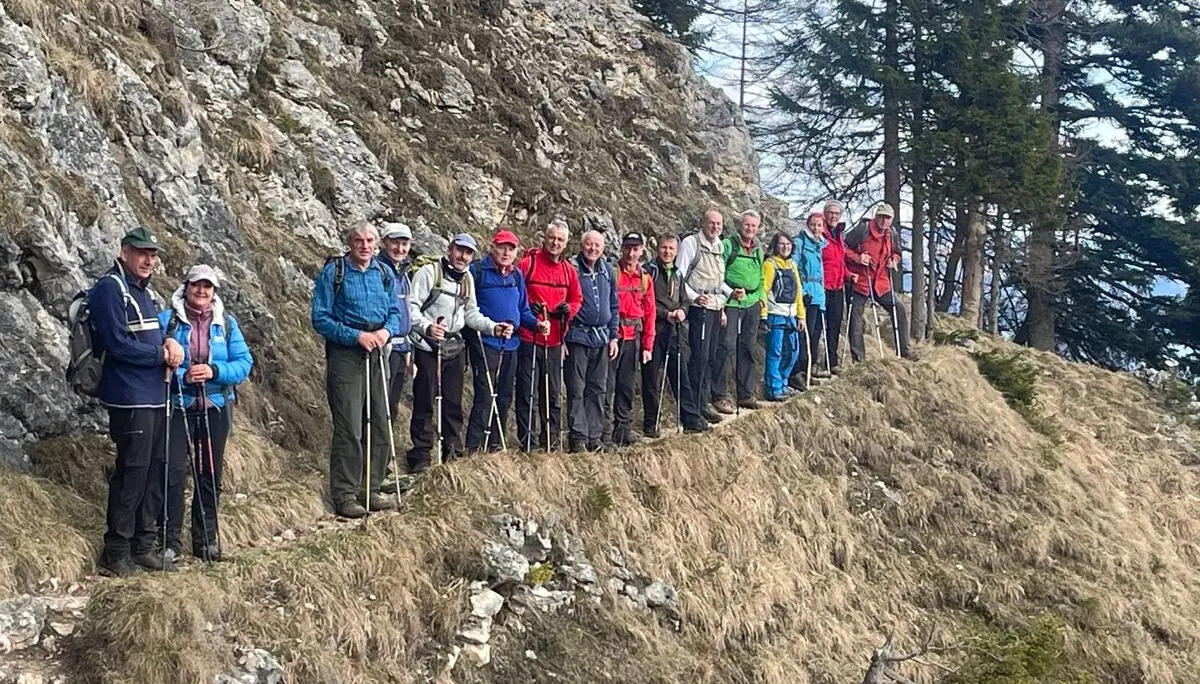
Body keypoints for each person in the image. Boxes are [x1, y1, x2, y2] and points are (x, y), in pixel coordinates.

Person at [90, 227, 183, 576]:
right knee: (133, 472)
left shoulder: (144, 293)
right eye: (142, 253)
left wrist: (170, 342)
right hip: (129, 397)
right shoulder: (109, 289)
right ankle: (115, 552)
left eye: (153, 254)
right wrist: (160, 353)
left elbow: (151, 336)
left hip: (156, 395)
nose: (149, 260)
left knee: (155, 469)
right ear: (124, 252)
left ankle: (143, 545)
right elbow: (117, 344)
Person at [158, 265, 253, 563]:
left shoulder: (225, 323)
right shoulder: (168, 320)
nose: (201, 291)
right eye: (196, 285)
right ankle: (168, 540)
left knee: (209, 475)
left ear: (214, 291)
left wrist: (214, 371)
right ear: (185, 287)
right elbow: (157, 362)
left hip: (215, 406)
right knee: (172, 472)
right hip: (179, 406)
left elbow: (244, 363)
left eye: (207, 287)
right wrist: (184, 375)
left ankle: (205, 540)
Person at [311, 224, 405, 519]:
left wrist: (387, 332)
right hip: (346, 352)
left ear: (377, 245)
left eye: (369, 241)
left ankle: (371, 487)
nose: (364, 246)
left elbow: (394, 312)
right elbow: (320, 317)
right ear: (349, 243)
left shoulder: (383, 273)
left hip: (376, 347)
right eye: (358, 241)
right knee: (350, 423)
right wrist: (355, 336)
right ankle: (345, 493)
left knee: (380, 418)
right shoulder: (335, 272)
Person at [408, 234, 514, 470]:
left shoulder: (466, 279)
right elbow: (411, 307)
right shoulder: (428, 273)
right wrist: (427, 327)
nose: (463, 256)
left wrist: (494, 328)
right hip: (427, 345)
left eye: (468, 253)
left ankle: (452, 454)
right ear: (450, 249)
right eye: (460, 250)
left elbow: (471, 314)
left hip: (454, 347)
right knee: (425, 401)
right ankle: (421, 456)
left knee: (452, 404)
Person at [466, 230, 541, 454]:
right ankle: (473, 446)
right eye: (502, 247)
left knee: (504, 396)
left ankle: (494, 445)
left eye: (511, 248)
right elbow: (469, 308)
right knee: (485, 395)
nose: (506, 252)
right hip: (485, 342)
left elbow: (523, 310)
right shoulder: (477, 271)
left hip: (512, 344)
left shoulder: (516, 275)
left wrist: (536, 324)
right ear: (492, 247)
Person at [516, 220, 582, 452]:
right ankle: (528, 443)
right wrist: (526, 309)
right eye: (552, 238)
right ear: (545, 238)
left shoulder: (568, 271)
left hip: (555, 341)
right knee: (528, 395)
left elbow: (576, 299)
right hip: (528, 338)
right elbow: (515, 292)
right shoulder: (528, 264)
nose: (555, 243)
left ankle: (551, 443)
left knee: (553, 395)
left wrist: (569, 310)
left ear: (566, 244)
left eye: (560, 240)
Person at [641, 234, 707, 435]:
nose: (667, 252)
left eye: (671, 248)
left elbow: (684, 299)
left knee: (680, 375)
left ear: (676, 251)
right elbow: (644, 302)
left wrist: (683, 311)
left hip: (674, 330)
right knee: (651, 378)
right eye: (664, 248)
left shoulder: (678, 273)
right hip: (654, 330)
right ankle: (651, 423)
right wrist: (665, 314)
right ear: (657, 249)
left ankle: (690, 419)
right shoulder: (649, 272)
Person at [564, 230, 618, 452]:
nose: (593, 249)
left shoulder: (608, 270)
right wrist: (562, 337)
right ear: (581, 245)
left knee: (597, 388)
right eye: (589, 244)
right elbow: (563, 301)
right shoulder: (572, 268)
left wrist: (614, 336)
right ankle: (578, 437)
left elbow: (614, 304)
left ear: (603, 248)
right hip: (577, 336)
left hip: (602, 338)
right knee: (576, 388)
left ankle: (594, 438)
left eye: (597, 245)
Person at [676, 208, 727, 425]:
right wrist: (694, 298)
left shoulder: (719, 246)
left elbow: (718, 280)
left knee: (711, 357)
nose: (715, 227)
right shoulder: (690, 243)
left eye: (719, 224)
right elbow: (680, 275)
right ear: (703, 223)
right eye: (711, 223)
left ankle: (703, 400)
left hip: (716, 307)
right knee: (699, 357)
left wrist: (728, 296)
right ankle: (695, 404)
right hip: (699, 309)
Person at [606, 232, 655, 446]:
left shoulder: (645, 279)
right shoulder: (612, 273)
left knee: (626, 386)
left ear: (642, 250)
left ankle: (623, 428)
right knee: (606, 385)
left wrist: (648, 345)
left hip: (633, 336)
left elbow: (650, 312)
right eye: (627, 248)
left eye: (635, 249)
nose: (631, 253)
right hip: (613, 337)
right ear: (621, 248)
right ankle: (604, 429)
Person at [846, 203, 911, 360]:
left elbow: (897, 252)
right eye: (881, 216)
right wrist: (858, 258)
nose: (884, 220)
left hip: (881, 283)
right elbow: (844, 248)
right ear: (876, 216)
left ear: (891, 220)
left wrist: (893, 261)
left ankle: (904, 352)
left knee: (899, 310)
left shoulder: (892, 234)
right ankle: (859, 359)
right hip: (860, 281)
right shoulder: (863, 230)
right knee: (855, 319)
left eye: (887, 218)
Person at [717, 210, 765, 410]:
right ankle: (719, 394)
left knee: (747, 347)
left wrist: (761, 300)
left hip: (751, 302)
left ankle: (746, 393)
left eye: (754, 226)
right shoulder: (728, 245)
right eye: (747, 225)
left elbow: (762, 277)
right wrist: (729, 293)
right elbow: (718, 272)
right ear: (740, 225)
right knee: (726, 346)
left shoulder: (759, 251)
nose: (750, 229)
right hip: (731, 302)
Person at [762, 233, 805, 400]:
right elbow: (764, 291)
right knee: (775, 352)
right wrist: (763, 315)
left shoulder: (792, 265)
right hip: (775, 315)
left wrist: (801, 316)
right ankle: (774, 388)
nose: (785, 247)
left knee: (793, 352)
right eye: (781, 244)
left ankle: (783, 383)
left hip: (791, 315)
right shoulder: (769, 265)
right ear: (775, 246)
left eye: (788, 244)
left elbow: (798, 292)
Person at [378, 223, 414, 421]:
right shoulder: (379, 270)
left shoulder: (403, 271)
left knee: (391, 404)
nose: (400, 249)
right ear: (384, 243)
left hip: (401, 348)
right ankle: (372, 450)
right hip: (385, 344)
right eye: (395, 243)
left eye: (405, 243)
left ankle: (382, 450)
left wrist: (408, 348)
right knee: (379, 403)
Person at [788, 211, 826, 390]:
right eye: (813, 224)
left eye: (819, 225)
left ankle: (808, 370)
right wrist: (800, 291)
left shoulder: (821, 244)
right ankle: (798, 373)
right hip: (807, 292)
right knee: (804, 334)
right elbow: (794, 266)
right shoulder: (800, 242)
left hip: (819, 294)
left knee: (814, 333)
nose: (816, 228)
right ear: (807, 225)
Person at [820, 201, 853, 373]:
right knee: (819, 326)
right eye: (831, 212)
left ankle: (831, 361)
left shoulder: (839, 234)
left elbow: (839, 262)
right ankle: (815, 363)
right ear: (825, 214)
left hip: (838, 286)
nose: (833, 216)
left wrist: (849, 275)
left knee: (834, 324)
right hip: (823, 286)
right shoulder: (820, 232)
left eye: (837, 213)